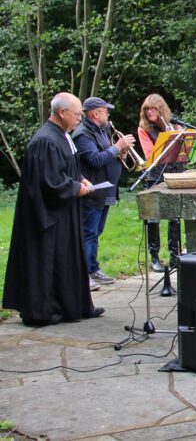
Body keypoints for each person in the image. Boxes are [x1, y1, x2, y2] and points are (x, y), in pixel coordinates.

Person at [3, 93, 105, 326]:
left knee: (67, 257)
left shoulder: (63, 136)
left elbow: (67, 167)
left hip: (64, 212)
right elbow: (49, 182)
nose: (81, 118)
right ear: (62, 113)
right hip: (47, 215)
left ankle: (74, 305)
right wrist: (75, 187)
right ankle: (44, 310)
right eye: (78, 114)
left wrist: (81, 179)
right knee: (49, 260)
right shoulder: (46, 140)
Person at [72, 96, 135, 290]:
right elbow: (95, 160)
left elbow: (108, 155)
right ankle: (84, 274)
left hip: (106, 189)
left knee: (96, 232)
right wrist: (117, 147)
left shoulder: (104, 130)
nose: (108, 113)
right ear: (95, 113)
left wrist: (120, 154)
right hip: (93, 191)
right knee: (88, 234)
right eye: (105, 110)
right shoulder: (82, 134)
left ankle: (93, 268)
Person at [138, 93, 184, 272]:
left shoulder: (175, 126)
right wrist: (167, 138)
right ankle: (155, 256)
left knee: (175, 217)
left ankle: (175, 256)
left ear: (161, 109)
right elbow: (151, 154)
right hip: (155, 176)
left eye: (153, 108)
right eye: (146, 109)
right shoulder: (144, 129)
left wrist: (172, 132)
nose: (149, 112)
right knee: (153, 219)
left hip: (175, 176)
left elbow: (183, 152)